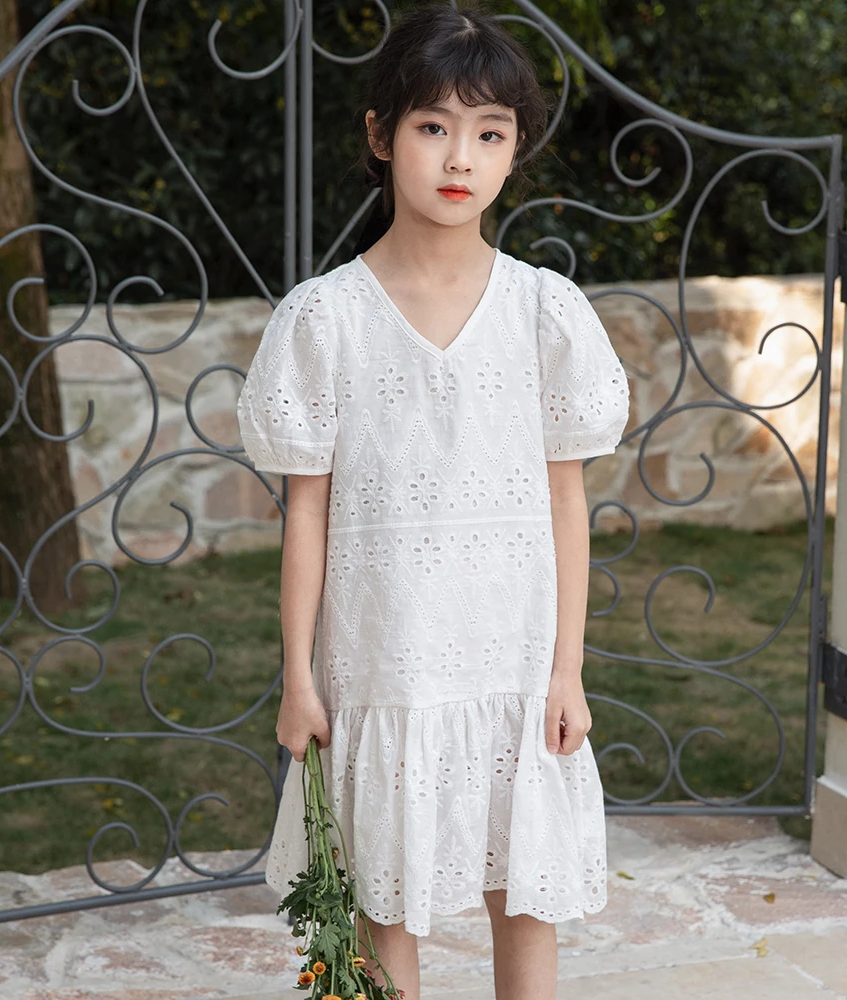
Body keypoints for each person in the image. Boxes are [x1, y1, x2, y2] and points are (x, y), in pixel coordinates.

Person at [236, 3, 630, 998]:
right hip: (385, 664)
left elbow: (566, 502)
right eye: (433, 126)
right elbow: (307, 511)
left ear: (514, 151)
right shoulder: (325, 319)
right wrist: (298, 676)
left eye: (490, 133)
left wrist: (567, 670)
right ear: (380, 135)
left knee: (525, 899)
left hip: (513, 661)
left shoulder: (544, 313)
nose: (461, 158)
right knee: (384, 905)